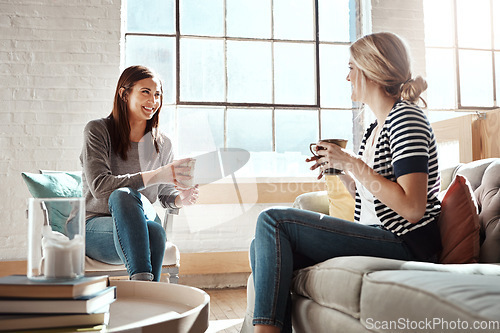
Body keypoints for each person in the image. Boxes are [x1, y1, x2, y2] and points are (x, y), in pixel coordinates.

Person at [249, 32, 442, 333]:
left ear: (371, 69)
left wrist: (352, 162)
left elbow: (413, 207)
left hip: (407, 243)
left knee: (273, 222)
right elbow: (374, 197)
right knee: (261, 245)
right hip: (377, 233)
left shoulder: (406, 119)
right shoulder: (374, 128)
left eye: (351, 67)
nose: (347, 76)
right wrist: (342, 171)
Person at [80, 65, 199, 282]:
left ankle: (143, 290)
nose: (153, 101)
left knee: (155, 232)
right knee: (122, 194)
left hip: (140, 225)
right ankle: (145, 290)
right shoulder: (98, 131)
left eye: (157, 95)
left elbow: (164, 193)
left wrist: (180, 199)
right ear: (124, 94)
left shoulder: (163, 144)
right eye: (145, 92)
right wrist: (159, 174)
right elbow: (100, 187)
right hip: (94, 225)